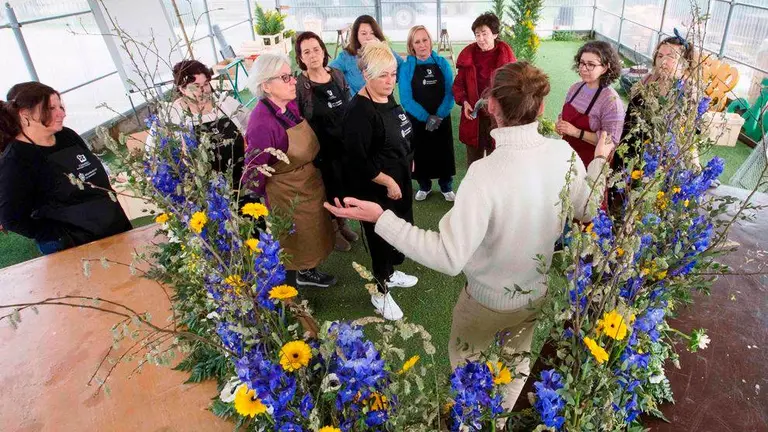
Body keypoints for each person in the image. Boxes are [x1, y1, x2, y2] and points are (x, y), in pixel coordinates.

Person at [326, 62, 614, 409]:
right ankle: (502, 417)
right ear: (541, 108)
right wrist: (598, 160)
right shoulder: (564, 154)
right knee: (516, 367)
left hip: (483, 303)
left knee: (467, 378)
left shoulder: (484, 173)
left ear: (490, 106)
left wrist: (382, 218)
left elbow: (448, 257)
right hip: (533, 296)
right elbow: (586, 209)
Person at [0, 82, 132, 254]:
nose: (61, 113)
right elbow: (11, 218)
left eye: (60, 106)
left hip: (113, 223)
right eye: (50, 108)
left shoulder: (67, 136)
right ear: (25, 115)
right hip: (73, 244)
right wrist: (58, 235)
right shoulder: (16, 159)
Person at [341, 41, 420, 320]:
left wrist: (407, 158)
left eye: (393, 74)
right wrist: (388, 181)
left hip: (399, 178)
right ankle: (381, 292)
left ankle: (391, 272)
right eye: (382, 75)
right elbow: (358, 161)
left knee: (397, 232)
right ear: (366, 75)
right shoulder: (358, 113)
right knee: (380, 240)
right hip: (376, 189)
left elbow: (399, 129)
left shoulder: (387, 96)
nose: (390, 81)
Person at [244, 53, 336, 288]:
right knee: (292, 243)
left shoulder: (290, 105)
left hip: (308, 182)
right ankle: (291, 292)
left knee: (312, 234)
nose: (293, 81)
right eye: (285, 78)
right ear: (266, 85)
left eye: (291, 75)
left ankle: (308, 272)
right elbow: (255, 171)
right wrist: (263, 199)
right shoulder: (261, 123)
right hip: (285, 194)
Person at [295, 31, 360, 252]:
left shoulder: (337, 75)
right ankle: (332, 231)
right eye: (306, 52)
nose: (312, 55)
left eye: (316, 49)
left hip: (343, 145)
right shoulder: (301, 85)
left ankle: (343, 223)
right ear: (301, 57)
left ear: (323, 51)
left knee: (344, 186)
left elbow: (349, 105)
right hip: (320, 150)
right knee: (327, 190)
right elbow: (299, 119)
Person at [148, 60, 251, 192]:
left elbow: (254, 125)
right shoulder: (171, 115)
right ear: (182, 88)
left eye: (206, 84)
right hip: (203, 191)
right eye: (196, 86)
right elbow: (152, 151)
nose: (204, 90)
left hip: (241, 181)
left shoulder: (224, 102)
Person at [398, 25, 457, 202]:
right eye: (417, 41)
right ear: (412, 45)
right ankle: (424, 186)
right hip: (418, 120)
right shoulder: (407, 67)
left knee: (443, 153)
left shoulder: (442, 63)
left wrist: (439, 115)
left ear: (430, 41)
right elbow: (406, 99)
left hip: (441, 118)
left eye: (425, 40)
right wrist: (426, 117)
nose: (422, 44)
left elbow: (450, 92)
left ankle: (446, 186)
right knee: (420, 153)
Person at [453, 12, 516, 167]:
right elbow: (458, 85)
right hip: (474, 117)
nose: (480, 39)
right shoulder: (468, 56)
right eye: (477, 34)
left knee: (498, 161)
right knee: (474, 163)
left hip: (498, 116)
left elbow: (515, 89)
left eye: (484, 34)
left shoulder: (506, 57)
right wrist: (465, 102)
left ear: (495, 34)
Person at [556, 40, 625, 168]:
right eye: (582, 63)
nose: (583, 68)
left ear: (605, 68)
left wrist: (577, 132)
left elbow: (611, 141)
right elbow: (564, 116)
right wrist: (560, 124)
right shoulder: (575, 88)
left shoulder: (611, 101)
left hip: (591, 163)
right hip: (567, 156)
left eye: (591, 64)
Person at [329, 15, 405, 95]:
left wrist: (393, 77)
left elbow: (403, 66)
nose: (368, 38)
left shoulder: (385, 51)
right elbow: (329, 72)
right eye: (363, 33)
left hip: (384, 101)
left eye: (372, 33)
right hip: (358, 103)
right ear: (356, 35)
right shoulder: (346, 56)